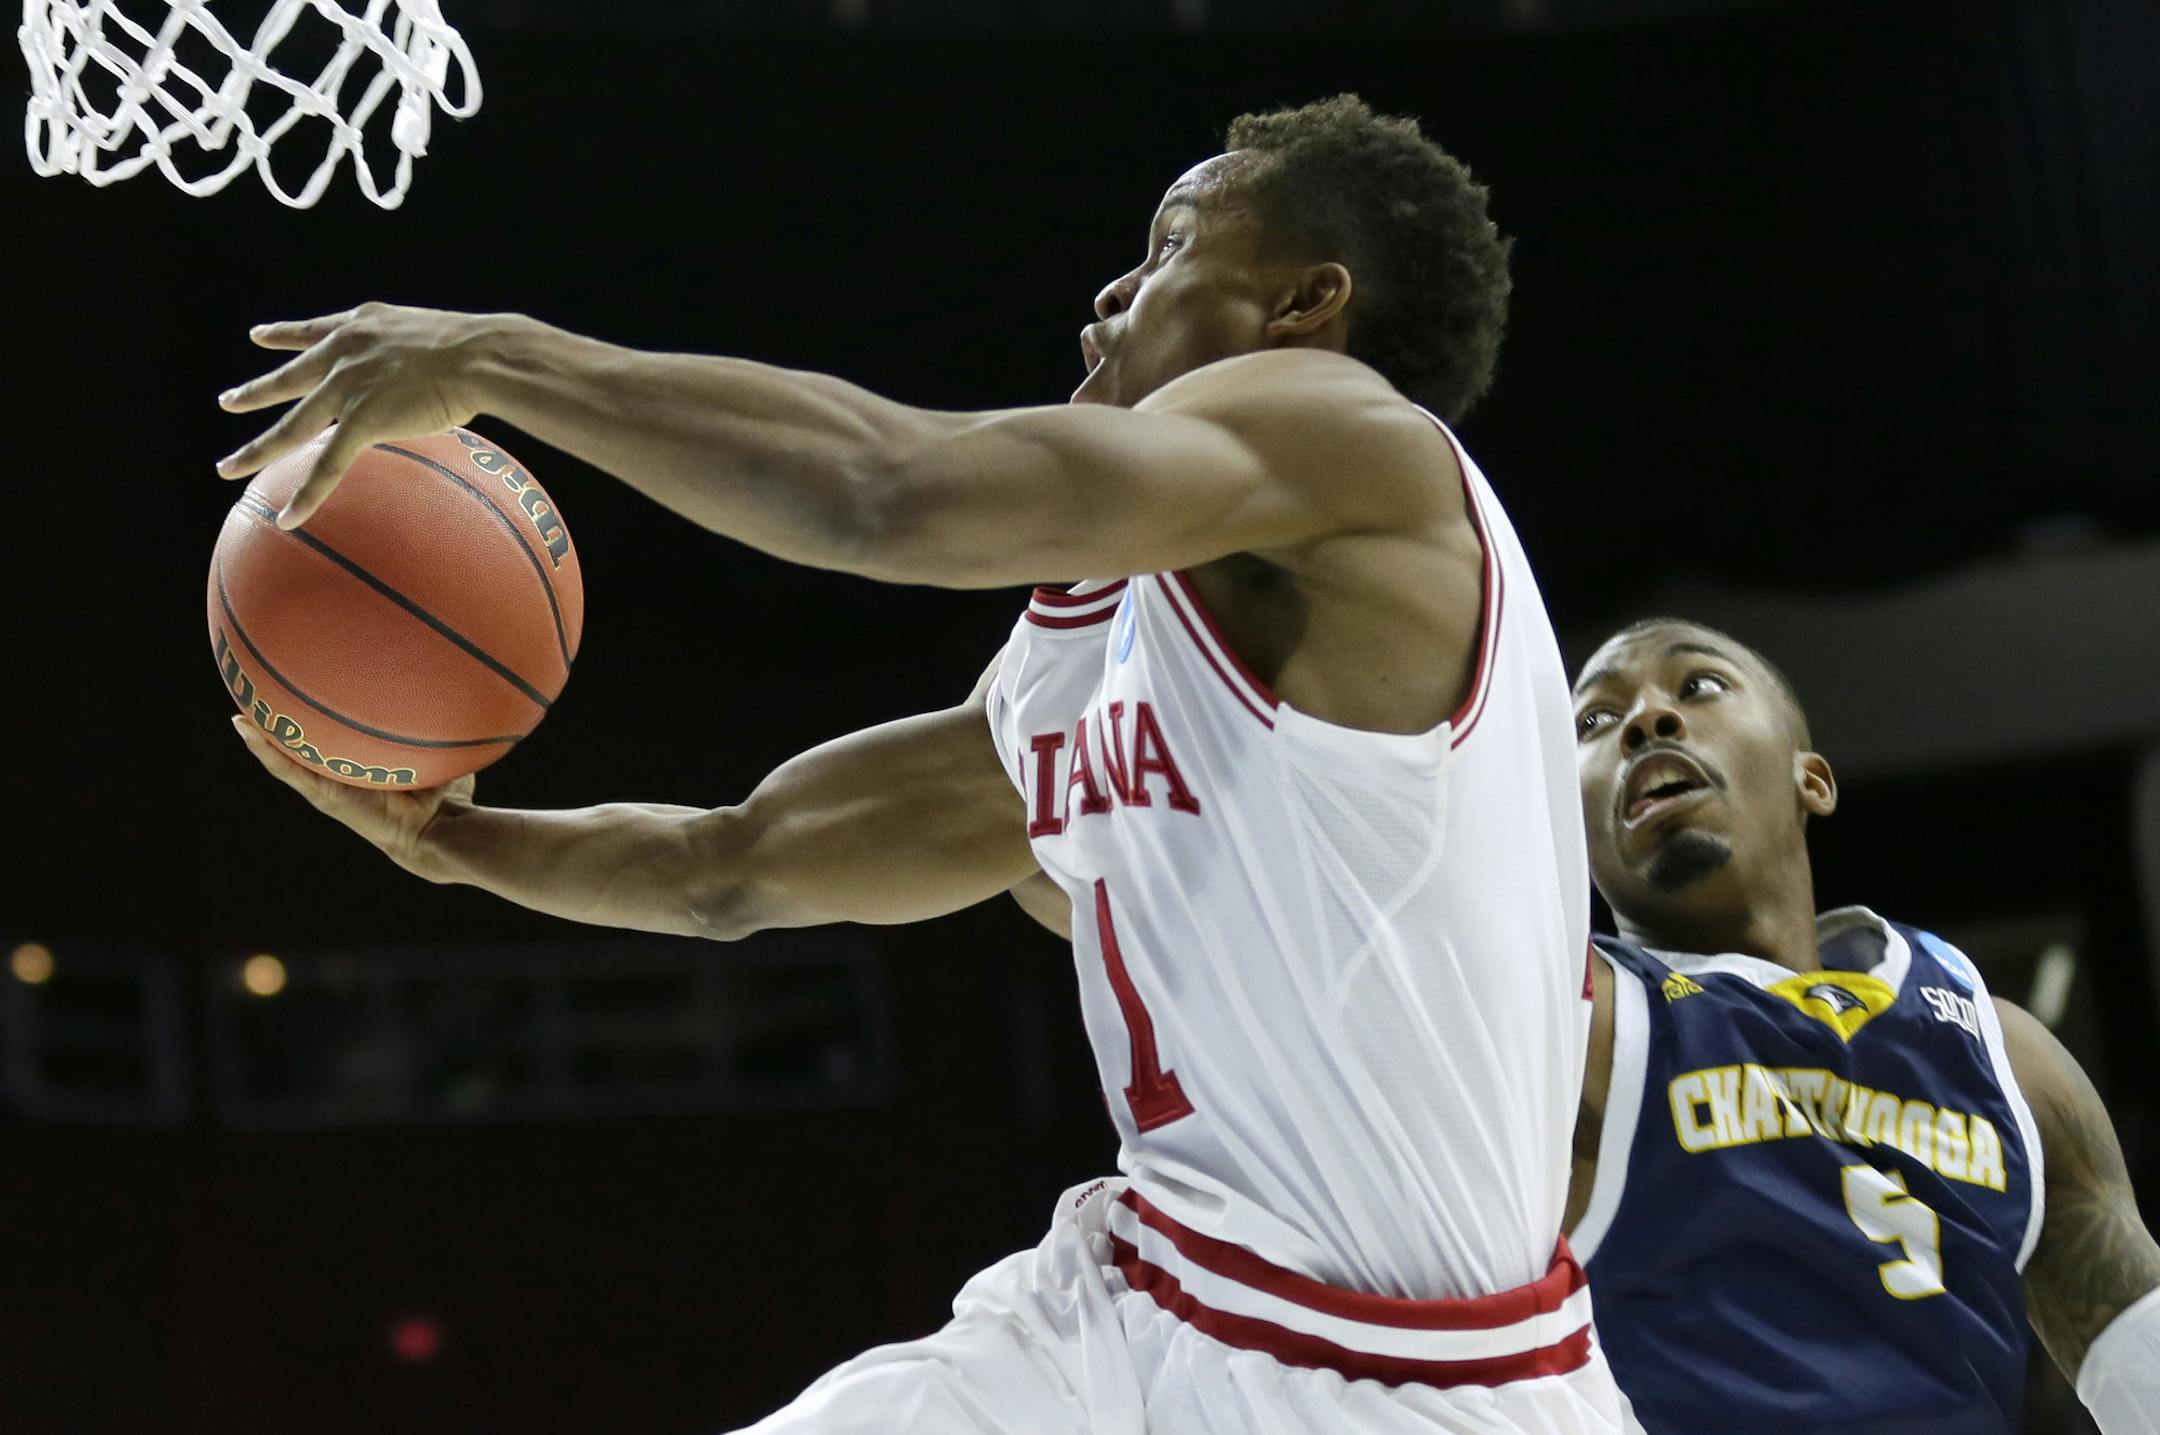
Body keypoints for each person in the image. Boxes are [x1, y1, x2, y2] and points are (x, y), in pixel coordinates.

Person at [217, 96, 1626, 1433]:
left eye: (1174, 247)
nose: (1111, 297)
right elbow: (737, 864)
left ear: (1306, 306)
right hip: (1142, 1306)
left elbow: (882, 490)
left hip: (1429, 1378)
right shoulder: (1095, 644)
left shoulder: (1361, 447)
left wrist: (497, 356)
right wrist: (448, 840)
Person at [1563, 616, 2160, 1434]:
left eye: (1698, 685)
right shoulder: (1568, 1025)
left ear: (1812, 779)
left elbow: (2140, 1350)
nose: (1647, 719)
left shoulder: (2004, 1054)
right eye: (1593, 720)